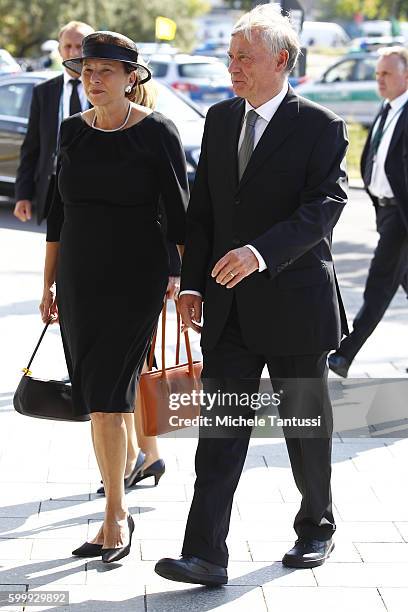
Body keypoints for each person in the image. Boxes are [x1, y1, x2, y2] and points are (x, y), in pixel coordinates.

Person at [155, 4, 348, 586]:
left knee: (303, 429)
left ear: (281, 60)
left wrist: (260, 252)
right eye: (231, 55)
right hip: (228, 308)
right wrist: (190, 284)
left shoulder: (320, 124)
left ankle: (316, 527)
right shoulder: (217, 119)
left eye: (245, 57)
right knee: (220, 433)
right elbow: (205, 213)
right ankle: (206, 554)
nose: (232, 66)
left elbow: (325, 207)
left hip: (295, 304)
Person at [39, 31, 187, 563]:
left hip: (135, 279)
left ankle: (115, 516)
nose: (93, 81)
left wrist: (179, 277)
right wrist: (47, 284)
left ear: (132, 78)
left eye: (105, 71)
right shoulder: (71, 132)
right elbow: (58, 213)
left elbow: (179, 212)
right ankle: (118, 501)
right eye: (87, 70)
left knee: (106, 395)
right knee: (98, 395)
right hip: (78, 279)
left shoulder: (157, 133)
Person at [329, 46, 408, 378]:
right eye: (377, 74)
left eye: (386, 73)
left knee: (380, 282)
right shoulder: (387, 108)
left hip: (402, 217)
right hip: (385, 212)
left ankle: (345, 353)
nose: (379, 79)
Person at [14, 21, 95, 225]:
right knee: (55, 252)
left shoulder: (103, 89)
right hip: (53, 189)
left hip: (94, 189)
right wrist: (23, 194)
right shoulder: (44, 91)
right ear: (59, 50)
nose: (73, 52)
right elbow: (31, 146)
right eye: (67, 46)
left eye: (80, 46)